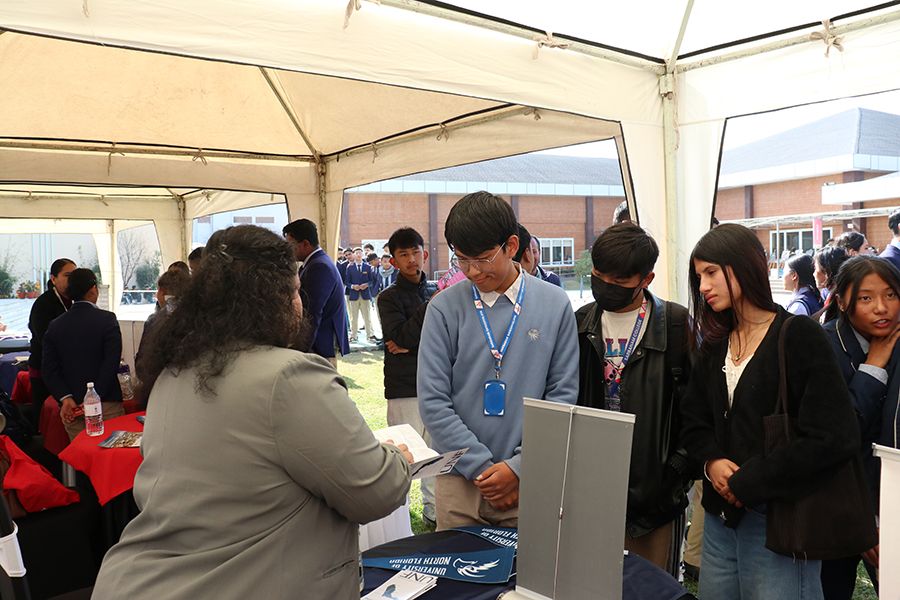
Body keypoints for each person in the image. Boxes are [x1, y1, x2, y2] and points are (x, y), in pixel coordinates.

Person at [92, 225, 412, 599]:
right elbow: (372, 491)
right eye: (295, 290)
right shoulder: (288, 376)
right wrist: (397, 459)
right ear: (273, 299)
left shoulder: (173, 373)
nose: (300, 303)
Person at [681, 223, 860, 599]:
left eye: (711, 272)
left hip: (780, 520)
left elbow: (834, 436)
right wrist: (712, 461)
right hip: (718, 519)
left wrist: (753, 479)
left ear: (743, 266)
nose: (703, 286)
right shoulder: (714, 342)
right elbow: (693, 419)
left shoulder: (798, 335)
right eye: (699, 277)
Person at [418, 191, 579, 529]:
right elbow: (433, 401)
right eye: (461, 259)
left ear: (511, 245)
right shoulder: (443, 308)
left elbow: (562, 397)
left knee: (528, 564)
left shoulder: (554, 304)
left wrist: (518, 468)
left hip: (529, 479)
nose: (472, 271)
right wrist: (479, 467)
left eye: (483, 259)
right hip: (459, 482)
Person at [575, 223, 692, 576]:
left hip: (655, 495)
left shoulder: (674, 324)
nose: (605, 285)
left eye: (619, 281)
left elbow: (695, 406)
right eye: (599, 275)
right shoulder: (580, 323)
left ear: (646, 279)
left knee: (651, 585)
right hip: (593, 486)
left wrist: (675, 470)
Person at [820, 256, 900, 599]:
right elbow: (838, 433)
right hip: (836, 503)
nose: (882, 308)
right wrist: (874, 366)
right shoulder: (822, 345)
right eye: (866, 298)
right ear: (842, 302)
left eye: (891, 295)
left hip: (891, 498)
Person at [376, 227, 438, 528]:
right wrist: (431, 308)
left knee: (436, 454)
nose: (412, 259)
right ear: (393, 261)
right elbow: (398, 336)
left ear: (424, 254)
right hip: (404, 387)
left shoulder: (436, 290)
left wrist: (409, 346)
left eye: (415, 252)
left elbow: (447, 340)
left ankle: (434, 512)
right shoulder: (388, 298)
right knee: (403, 456)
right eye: (404, 254)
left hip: (437, 384)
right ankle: (396, 518)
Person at [41, 268, 125, 440]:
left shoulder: (55, 325)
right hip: (106, 404)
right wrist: (93, 397)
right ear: (93, 289)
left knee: (81, 453)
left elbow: (49, 369)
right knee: (110, 452)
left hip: (72, 408)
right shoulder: (107, 319)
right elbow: (111, 363)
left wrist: (65, 398)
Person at [283, 219, 350, 367]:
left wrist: (301, 350)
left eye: (290, 245)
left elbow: (312, 313)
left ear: (305, 244)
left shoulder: (319, 266)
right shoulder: (315, 262)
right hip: (318, 342)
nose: (288, 250)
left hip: (321, 343)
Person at [27, 258, 77, 424]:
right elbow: (45, 339)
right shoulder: (43, 304)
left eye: (74, 275)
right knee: (45, 417)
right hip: (45, 368)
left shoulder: (75, 301)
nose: (72, 279)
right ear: (53, 279)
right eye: (67, 275)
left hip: (67, 368)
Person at [135, 268, 192, 384]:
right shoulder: (198, 320)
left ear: (162, 292)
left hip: (158, 385)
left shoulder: (154, 321)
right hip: (189, 384)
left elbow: (141, 365)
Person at [345, 247, 376, 343]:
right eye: (356, 253)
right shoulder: (350, 267)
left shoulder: (367, 267)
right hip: (354, 295)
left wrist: (366, 285)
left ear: (362, 254)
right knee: (353, 317)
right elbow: (347, 282)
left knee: (367, 316)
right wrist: (353, 286)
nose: (358, 254)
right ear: (354, 255)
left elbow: (372, 281)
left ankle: (370, 335)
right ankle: (353, 336)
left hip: (365, 295)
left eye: (360, 253)